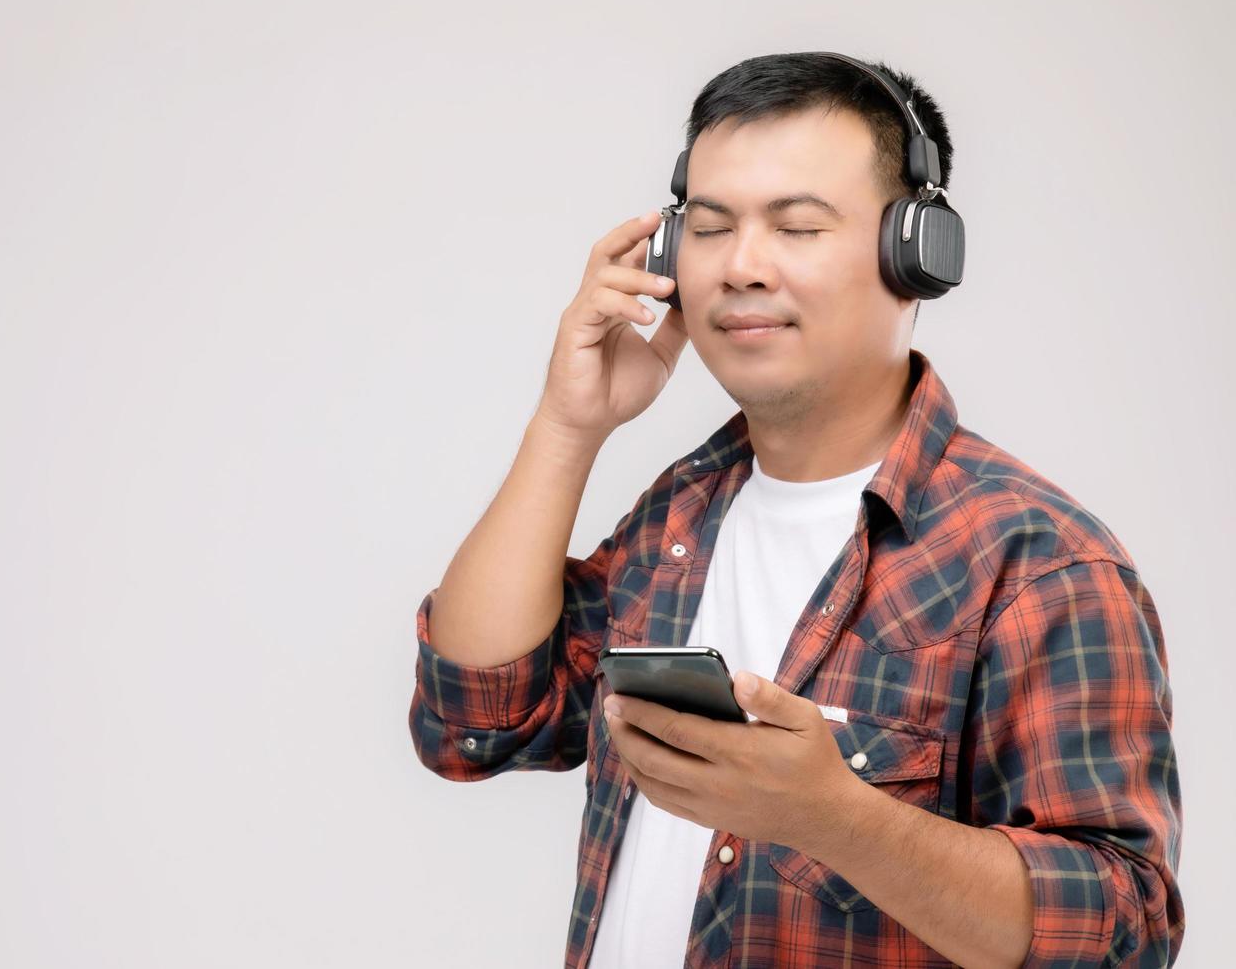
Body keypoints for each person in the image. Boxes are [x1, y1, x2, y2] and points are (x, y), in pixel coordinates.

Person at [406, 52, 1183, 968]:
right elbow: (478, 717)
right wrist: (570, 425)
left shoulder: (1037, 563)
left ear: (916, 254)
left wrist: (836, 818)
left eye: (798, 228)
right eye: (710, 226)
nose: (741, 267)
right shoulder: (680, 517)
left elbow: (1120, 931)